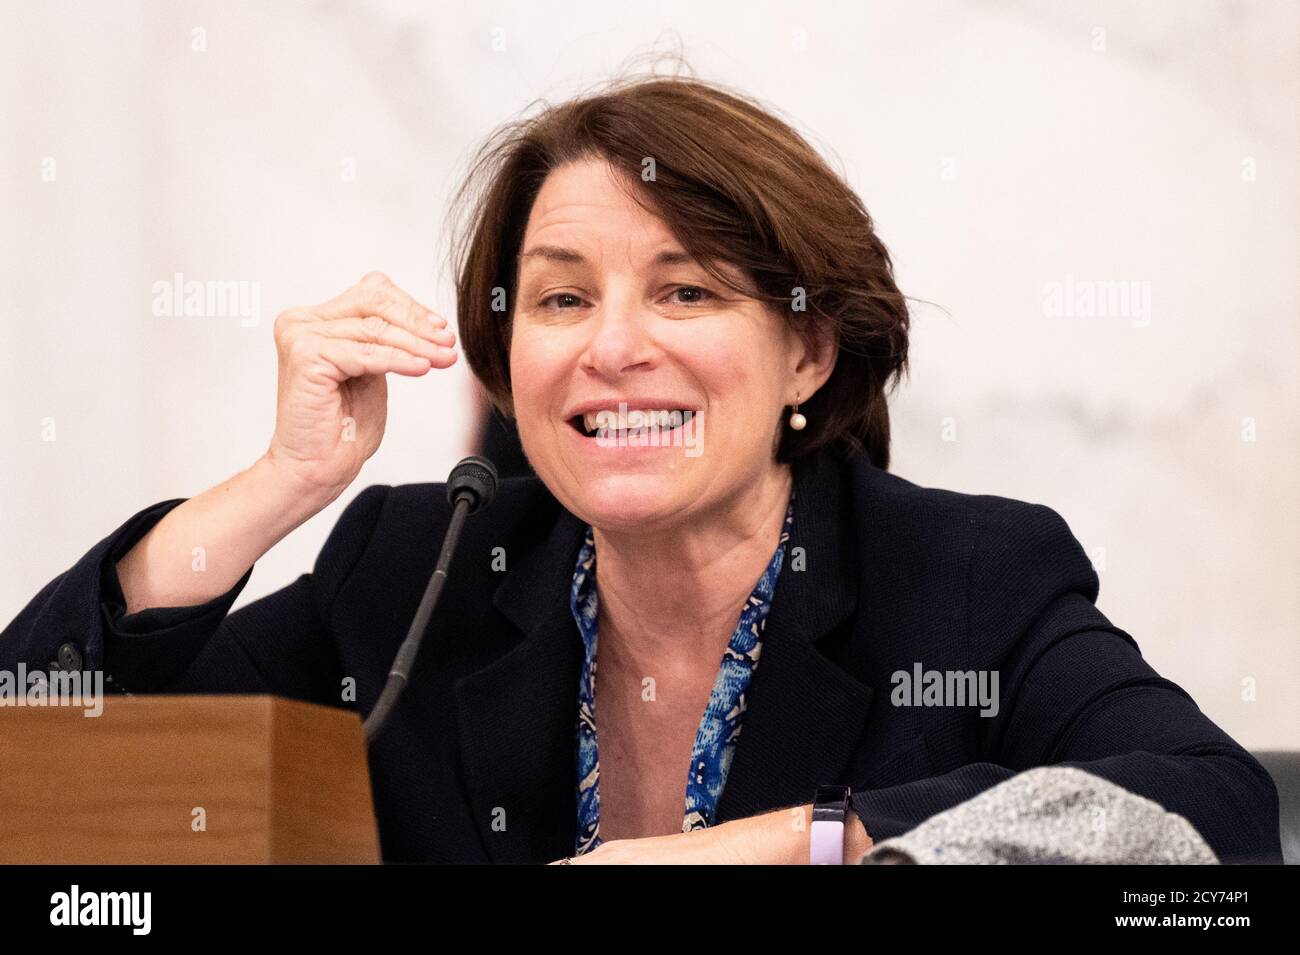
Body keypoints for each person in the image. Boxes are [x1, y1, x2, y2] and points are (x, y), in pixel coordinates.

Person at [2, 75, 1281, 864]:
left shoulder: (962, 578)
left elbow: (1210, 812)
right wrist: (275, 485)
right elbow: (46, 753)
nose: (613, 347)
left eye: (685, 289)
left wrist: (796, 848)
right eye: (560, 299)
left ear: (806, 355)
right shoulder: (416, 570)